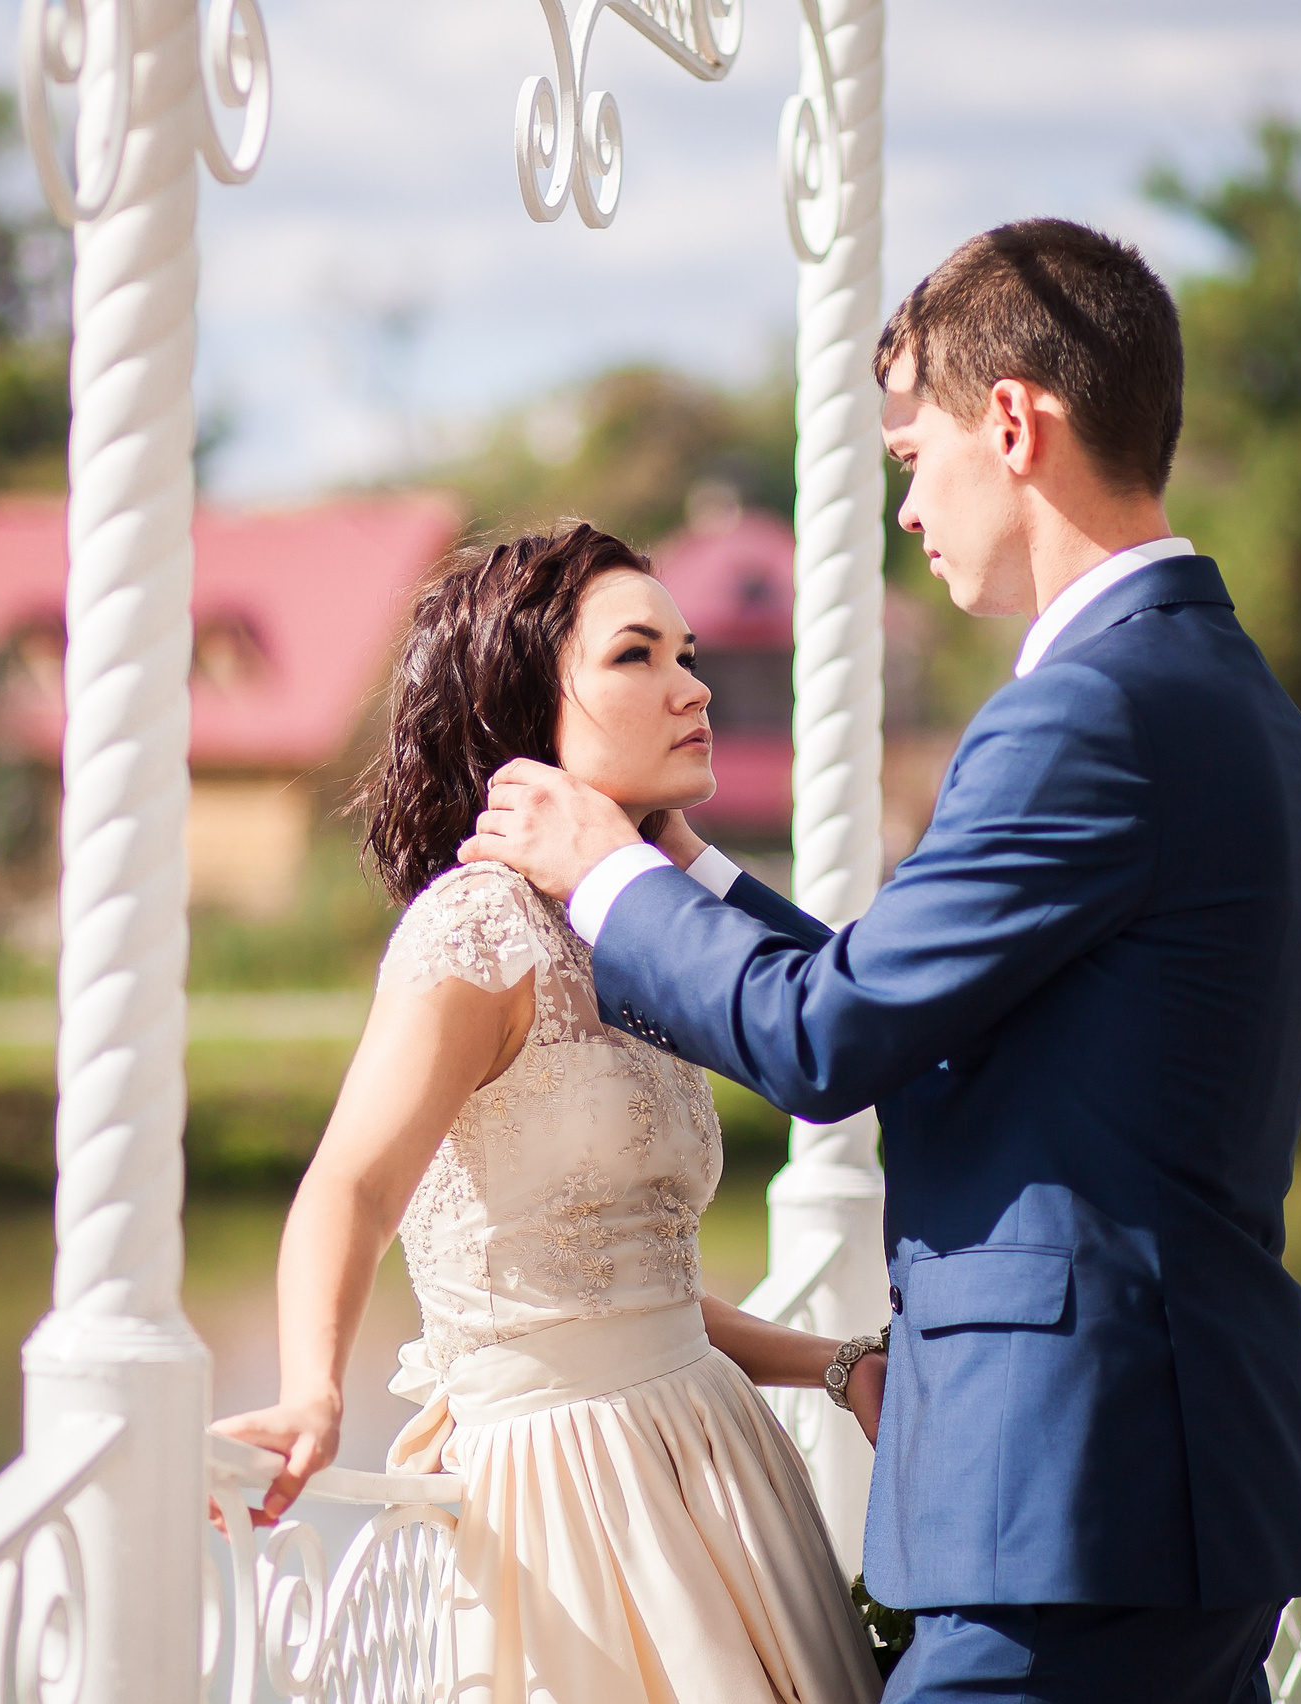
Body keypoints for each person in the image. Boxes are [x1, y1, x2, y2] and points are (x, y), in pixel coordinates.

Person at [463, 219, 1301, 1703]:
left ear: (1011, 422)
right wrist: (686, 871)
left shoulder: (1087, 712)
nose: (909, 506)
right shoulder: (1227, 694)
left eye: (911, 454)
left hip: (1069, 1496)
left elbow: (832, 1041)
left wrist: (602, 875)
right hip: (1175, 1481)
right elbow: (928, 1009)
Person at [213, 524, 884, 1704]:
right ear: (524, 707)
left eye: (687, 655)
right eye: (636, 656)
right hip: (568, 1500)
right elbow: (352, 1187)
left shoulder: (624, 926)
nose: (693, 688)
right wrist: (314, 1387)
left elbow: (630, 1290)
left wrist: (834, 1366)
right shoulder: (477, 928)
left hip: (715, 1459)